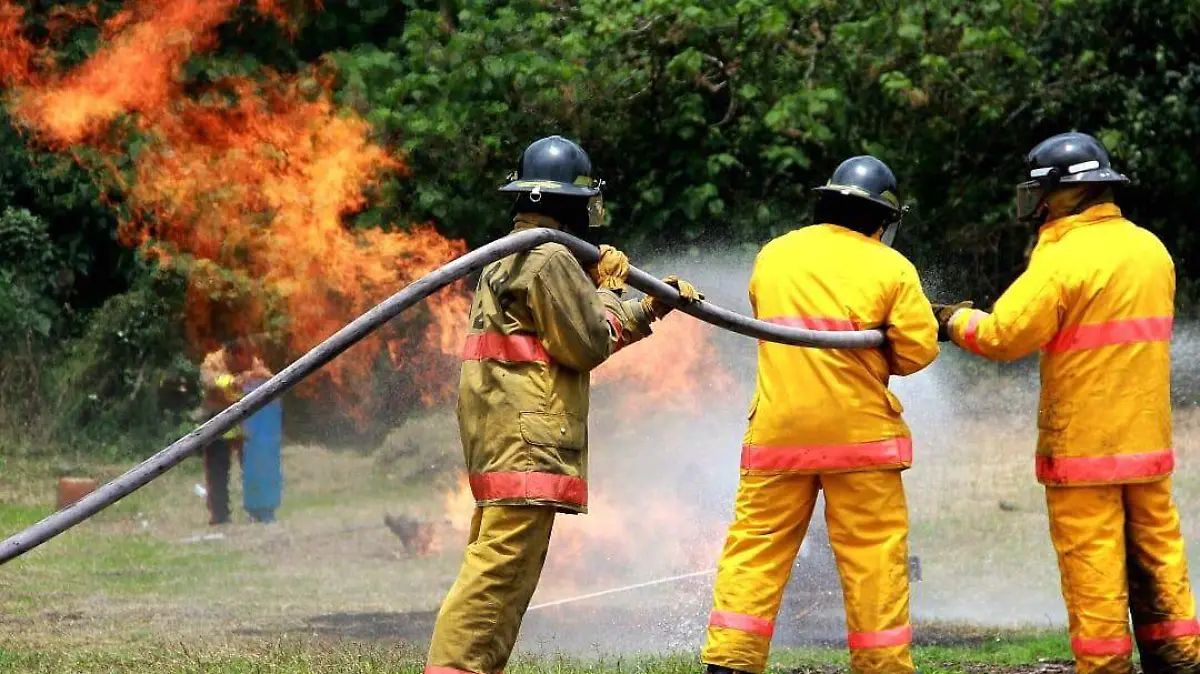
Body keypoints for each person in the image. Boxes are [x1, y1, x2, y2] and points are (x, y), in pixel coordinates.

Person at [423, 135, 702, 674]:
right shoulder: (549, 258)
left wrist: (645, 308)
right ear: (572, 204)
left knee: (499, 573)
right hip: (528, 439)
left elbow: (560, 339)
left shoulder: (510, 253)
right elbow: (588, 343)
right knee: (496, 577)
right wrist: (609, 287)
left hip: (505, 435)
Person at [935, 132, 1199, 674]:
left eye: (1039, 192)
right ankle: (1179, 662)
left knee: (1095, 577)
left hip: (1083, 455)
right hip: (1146, 450)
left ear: (1061, 193)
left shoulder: (1062, 258)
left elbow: (1004, 335)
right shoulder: (1151, 249)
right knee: (1159, 566)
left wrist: (952, 319)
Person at [701, 156, 938, 674]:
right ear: (882, 218)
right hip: (862, 443)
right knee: (873, 558)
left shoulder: (776, 254)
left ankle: (730, 662)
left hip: (779, 436)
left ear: (825, 201)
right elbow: (918, 351)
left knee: (757, 549)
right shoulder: (891, 267)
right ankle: (882, 667)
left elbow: (767, 310)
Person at [198, 337, 272, 526]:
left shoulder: (251, 362)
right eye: (242, 361)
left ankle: (259, 512)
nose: (246, 364)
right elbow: (209, 381)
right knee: (217, 470)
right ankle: (220, 517)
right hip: (218, 419)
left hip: (243, 418)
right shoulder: (212, 361)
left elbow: (268, 377)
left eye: (248, 360)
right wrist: (233, 381)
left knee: (253, 466)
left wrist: (255, 376)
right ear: (230, 355)